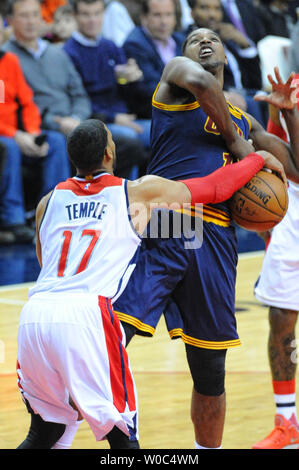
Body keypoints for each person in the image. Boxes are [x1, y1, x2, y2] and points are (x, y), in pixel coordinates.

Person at [15, 119, 272, 449]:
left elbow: (44, 260)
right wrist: (257, 158)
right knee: (122, 438)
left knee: (45, 432)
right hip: (85, 318)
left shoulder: (46, 203)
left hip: (36, 314)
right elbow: (216, 188)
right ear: (110, 153)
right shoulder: (136, 193)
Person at [113, 29, 299, 449]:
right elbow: (199, 81)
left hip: (216, 237)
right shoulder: (177, 78)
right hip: (166, 220)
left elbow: (296, 169)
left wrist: (288, 115)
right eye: (195, 37)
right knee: (111, 337)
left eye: (214, 37)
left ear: (227, 57)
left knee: (211, 368)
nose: (205, 40)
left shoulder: (243, 118)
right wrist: (239, 145)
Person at [252, 73, 299, 449]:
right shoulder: (293, 82)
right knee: (281, 319)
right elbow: (285, 159)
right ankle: (287, 422)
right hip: (294, 206)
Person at [0, 14, 70, 244]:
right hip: (7, 137)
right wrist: (16, 135)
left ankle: (53, 214)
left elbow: (27, 101)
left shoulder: (9, 61)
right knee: (8, 146)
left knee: (56, 141)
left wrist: (31, 132)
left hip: (20, 133)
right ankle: (14, 219)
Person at [64, 0, 151, 149]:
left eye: (97, 14)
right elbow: (79, 99)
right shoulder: (69, 52)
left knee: (168, 132)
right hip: (96, 122)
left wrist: (133, 78)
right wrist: (113, 118)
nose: (93, 20)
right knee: (130, 138)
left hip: (126, 116)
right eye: (86, 14)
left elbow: (127, 90)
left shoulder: (110, 46)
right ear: (75, 16)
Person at [3, 0, 92, 137]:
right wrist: (55, 122)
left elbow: (79, 94)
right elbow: (13, 106)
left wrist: (76, 117)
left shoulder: (57, 53)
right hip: (38, 127)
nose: (31, 21)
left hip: (75, 123)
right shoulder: (5, 58)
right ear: (10, 20)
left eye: (35, 14)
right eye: (24, 16)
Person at [186, 0, 266, 125]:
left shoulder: (227, 37)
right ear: (192, 13)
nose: (212, 14)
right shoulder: (189, 41)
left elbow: (256, 81)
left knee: (272, 98)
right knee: (252, 103)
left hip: (245, 92)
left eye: (217, 9)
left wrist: (244, 44)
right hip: (221, 96)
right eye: (204, 8)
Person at [122, 0, 185, 119]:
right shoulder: (135, 45)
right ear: (144, 18)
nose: (164, 22)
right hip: (155, 115)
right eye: (157, 15)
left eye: (168, 14)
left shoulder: (180, 40)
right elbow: (155, 89)